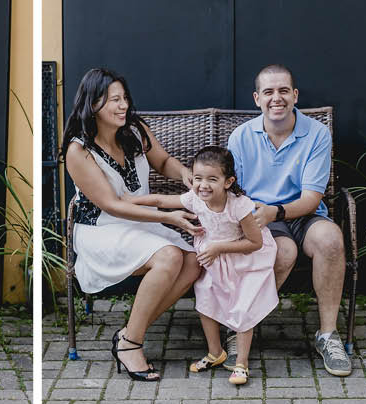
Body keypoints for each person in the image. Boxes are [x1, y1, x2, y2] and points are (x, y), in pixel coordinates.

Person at [59, 68, 203, 382]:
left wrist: (184, 175)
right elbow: (113, 205)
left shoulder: (135, 130)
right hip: (102, 230)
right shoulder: (78, 151)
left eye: (124, 98)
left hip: (141, 224)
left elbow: (163, 162)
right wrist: (168, 215)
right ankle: (131, 344)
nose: (123, 106)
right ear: (93, 104)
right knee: (170, 256)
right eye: (114, 100)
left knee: (193, 262)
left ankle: (127, 332)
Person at [225, 64, 350, 377]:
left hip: (302, 215)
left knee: (331, 239)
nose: (276, 98)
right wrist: (261, 214)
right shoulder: (241, 137)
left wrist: (275, 211)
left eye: (283, 90)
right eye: (268, 92)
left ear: (294, 95)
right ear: (257, 98)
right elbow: (232, 190)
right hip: (260, 218)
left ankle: (327, 334)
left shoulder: (317, 134)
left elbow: (311, 199)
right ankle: (239, 327)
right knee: (284, 252)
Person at [127, 146, 279, 385]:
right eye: (198, 178)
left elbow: (255, 242)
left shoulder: (239, 206)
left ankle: (242, 364)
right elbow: (159, 200)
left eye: (212, 179)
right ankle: (215, 353)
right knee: (205, 301)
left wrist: (218, 248)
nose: (203, 185)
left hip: (245, 259)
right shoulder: (195, 198)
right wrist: (128, 201)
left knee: (242, 308)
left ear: (228, 182)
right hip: (215, 258)